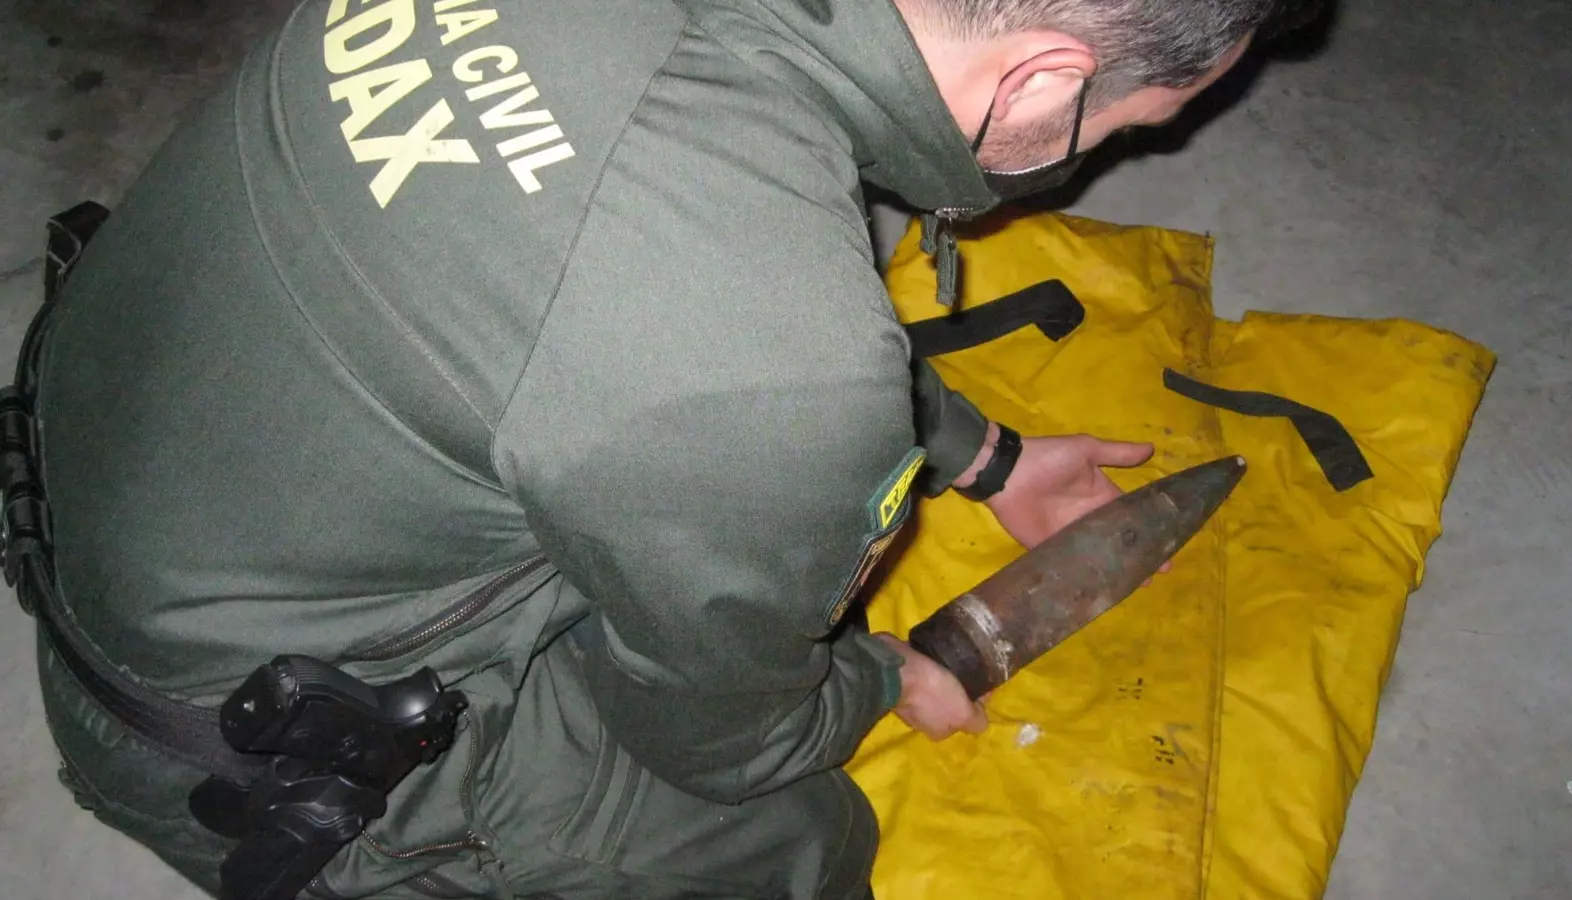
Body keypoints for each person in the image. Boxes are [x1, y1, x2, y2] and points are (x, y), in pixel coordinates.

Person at [17, 0, 1321, 897]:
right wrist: (883, 678)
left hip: (120, 468)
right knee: (799, 842)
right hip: (232, 740)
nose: (1105, 153)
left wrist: (987, 459)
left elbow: (680, 322)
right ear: (1041, 80)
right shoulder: (767, 354)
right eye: (1128, 125)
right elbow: (725, 740)